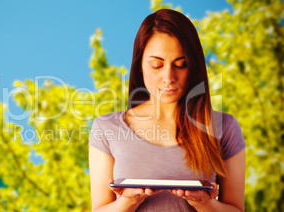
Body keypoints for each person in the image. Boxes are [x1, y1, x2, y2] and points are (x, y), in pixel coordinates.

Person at [88, 9, 246, 212]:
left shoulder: (224, 127)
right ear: (140, 66)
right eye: (156, 65)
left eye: (181, 65)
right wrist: (128, 202)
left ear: (194, 67)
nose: (169, 77)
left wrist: (205, 203)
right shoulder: (106, 128)